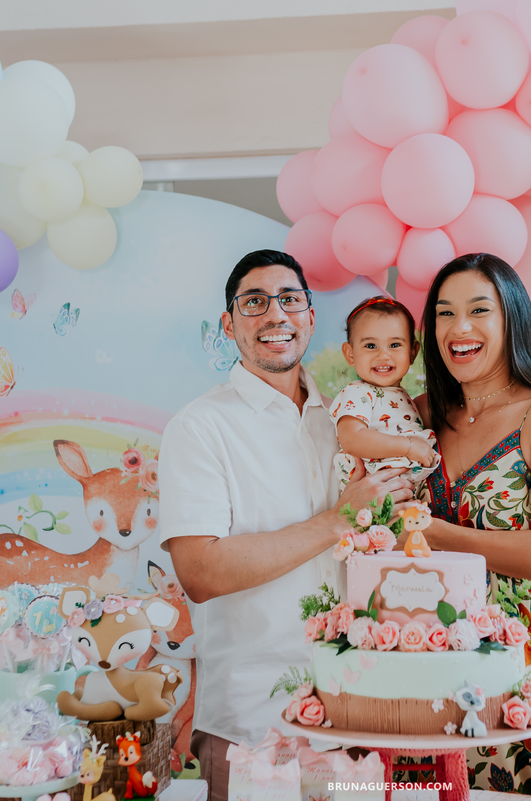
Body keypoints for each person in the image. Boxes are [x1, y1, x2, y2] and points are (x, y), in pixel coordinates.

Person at [159, 250, 412, 800]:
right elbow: (200, 571)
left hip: (354, 711)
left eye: (289, 299)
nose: (275, 314)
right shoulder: (200, 427)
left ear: (310, 317)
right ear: (229, 324)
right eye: (254, 302)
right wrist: (336, 522)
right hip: (251, 720)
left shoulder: (347, 422)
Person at [413, 252, 531, 794]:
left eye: (478, 310)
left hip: (524, 659)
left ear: (511, 318)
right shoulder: (419, 416)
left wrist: (443, 536)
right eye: (444, 313)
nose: (459, 328)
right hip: (427, 654)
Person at [330, 296, 438, 492]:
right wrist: (409, 447)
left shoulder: (404, 397)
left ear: (412, 353)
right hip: (372, 494)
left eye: (395, 345)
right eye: (371, 346)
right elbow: (352, 439)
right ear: (350, 354)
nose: (383, 355)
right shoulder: (358, 392)